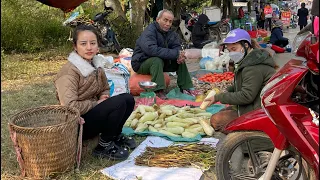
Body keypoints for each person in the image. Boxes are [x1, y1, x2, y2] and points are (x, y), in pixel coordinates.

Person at [54, 25, 136, 160]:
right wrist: (96, 103)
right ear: (75, 46)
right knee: (119, 103)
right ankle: (103, 146)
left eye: (93, 43)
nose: (89, 47)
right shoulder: (69, 72)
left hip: (91, 114)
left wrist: (104, 96)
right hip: (76, 123)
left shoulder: (96, 65)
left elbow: (104, 87)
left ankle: (115, 135)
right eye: (83, 43)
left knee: (128, 99)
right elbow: (69, 107)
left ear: (98, 45)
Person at [204, 29, 277, 131]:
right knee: (223, 111)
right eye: (229, 51)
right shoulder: (249, 60)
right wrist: (227, 90)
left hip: (259, 111)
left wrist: (219, 97)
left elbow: (246, 96)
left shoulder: (253, 67)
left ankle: (247, 134)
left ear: (246, 45)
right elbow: (243, 84)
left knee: (216, 120)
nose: (232, 53)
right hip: (255, 104)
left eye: (234, 49)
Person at [131, 9, 197, 100]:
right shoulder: (150, 31)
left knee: (180, 60)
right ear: (158, 19)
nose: (168, 24)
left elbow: (176, 47)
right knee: (156, 60)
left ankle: (186, 87)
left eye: (170, 21)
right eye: (165, 20)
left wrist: (179, 55)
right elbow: (151, 50)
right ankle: (158, 90)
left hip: (161, 61)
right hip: (141, 62)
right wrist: (176, 53)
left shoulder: (171, 33)